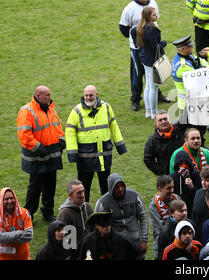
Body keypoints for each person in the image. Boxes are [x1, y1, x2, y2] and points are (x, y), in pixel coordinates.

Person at [65, 85, 127, 202]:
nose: (88, 98)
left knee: (106, 188)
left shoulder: (107, 107)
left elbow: (114, 127)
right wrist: (73, 154)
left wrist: (120, 146)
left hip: (104, 156)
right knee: (84, 189)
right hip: (85, 158)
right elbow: (70, 132)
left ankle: (106, 210)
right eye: (86, 95)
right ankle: (84, 211)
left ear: (96, 95)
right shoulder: (76, 111)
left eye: (91, 95)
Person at [118, 0, 170, 111]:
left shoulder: (153, 3)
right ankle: (135, 99)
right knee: (137, 73)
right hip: (137, 49)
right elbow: (123, 28)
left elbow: (156, 20)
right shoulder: (130, 8)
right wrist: (137, 40)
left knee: (154, 72)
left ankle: (157, 96)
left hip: (152, 47)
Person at [17, 85, 65, 222]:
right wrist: (39, 148)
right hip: (37, 157)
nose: (50, 98)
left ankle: (48, 212)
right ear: (38, 95)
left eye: (50, 95)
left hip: (51, 154)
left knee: (50, 186)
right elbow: (24, 135)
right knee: (35, 187)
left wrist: (61, 140)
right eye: (47, 95)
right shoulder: (26, 111)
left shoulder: (51, 108)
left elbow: (57, 126)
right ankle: (29, 215)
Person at [94, 173, 149, 259]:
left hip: (135, 242)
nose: (120, 189)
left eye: (121, 186)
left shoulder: (134, 195)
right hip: (116, 245)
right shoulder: (102, 203)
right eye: (116, 187)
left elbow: (143, 216)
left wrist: (144, 240)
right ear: (110, 188)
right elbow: (98, 225)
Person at [131, 6, 167, 119]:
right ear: (148, 16)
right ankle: (154, 112)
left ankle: (148, 111)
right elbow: (155, 46)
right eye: (154, 15)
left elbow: (134, 38)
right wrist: (163, 43)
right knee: (154, 87)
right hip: (153, 60)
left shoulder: (139, 27)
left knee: (148, 85)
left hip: (144, 59)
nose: (156, 16)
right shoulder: (151, 29)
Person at [171, 35, 209, 132]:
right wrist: (203, 70)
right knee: (194, 131)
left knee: (196, 128)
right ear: (183, 49)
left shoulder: (189, 56)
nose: (192, 47)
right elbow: (200, 79)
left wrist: (203, 69)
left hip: (191, 102)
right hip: (188, 105)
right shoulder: (182, 66)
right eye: (190, 46)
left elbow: (203, 62)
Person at [148, 175, 181, 259]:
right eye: (168, 188)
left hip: (179, 241)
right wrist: (175, 219)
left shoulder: (177, 198)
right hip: (163, 245)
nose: (172, 191)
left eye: (173, 187)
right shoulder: (154, 205)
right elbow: (161, 228)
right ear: (159, 189)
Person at [144, 110, 184, 176]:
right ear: (156, 123)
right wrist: (161, 172)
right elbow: (148, 159)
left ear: (169, 119)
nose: (163, 122)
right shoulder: (153, 140)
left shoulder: (180, 131)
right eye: (160, 120)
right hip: (167, 176)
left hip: (184, 171)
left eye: (165, 119)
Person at [57, 180, 93, 253]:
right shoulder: (64, 214)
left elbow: (93, 228)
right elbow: (65, 242)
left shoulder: (87, 207)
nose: (83, 195)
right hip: (76, 253)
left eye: (83, 191)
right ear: (70, 195)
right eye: (79, 193)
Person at [0, 188, 33, 260]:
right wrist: (19, 232)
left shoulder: (24, 213)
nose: (10, 201)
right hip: (4, 257)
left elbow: (29, 236)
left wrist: (6, 237)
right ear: (1, 200)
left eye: (12, 198)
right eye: (6, 199)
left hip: (23, 256)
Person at [170, 150, 202, 214]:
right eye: (181, 163)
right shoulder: (172, 177)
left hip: (194, 208)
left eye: (186, 163)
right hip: (178, 210)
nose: (184, 166)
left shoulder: (196, 174)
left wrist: (192, 187)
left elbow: (201, 195)